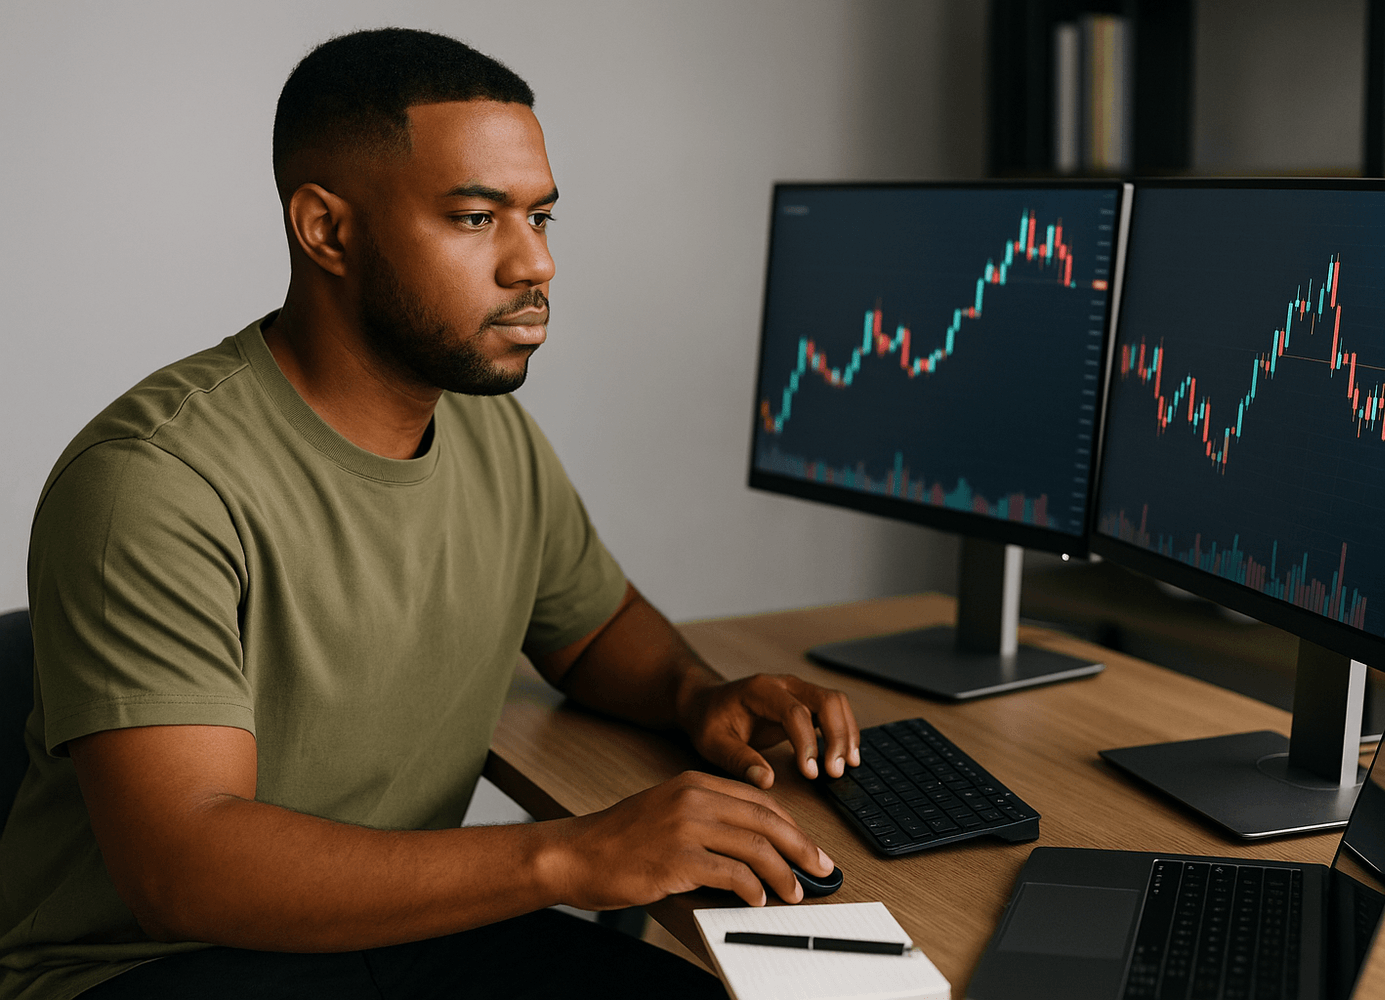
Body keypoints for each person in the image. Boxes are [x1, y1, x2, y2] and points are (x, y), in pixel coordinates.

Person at [0, 27, 861, 1000]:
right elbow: (182, 872)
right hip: (147, 966)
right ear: (327, 230)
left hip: (381, 933)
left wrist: (697, 695)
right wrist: (575, 855)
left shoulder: (491, 437)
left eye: (541, 215)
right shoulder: (153, 482)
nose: (534, 263)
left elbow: (592, 628)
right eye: (474, 217)